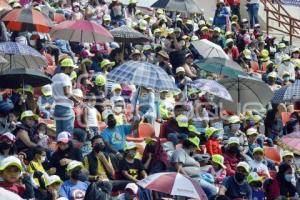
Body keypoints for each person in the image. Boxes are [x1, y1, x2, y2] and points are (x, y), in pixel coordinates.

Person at [52, 57, 78, 134]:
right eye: (72, 68)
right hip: (66, 108)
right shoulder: (65, 77)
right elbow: (67, 93)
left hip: (57, 107)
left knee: (60, 134)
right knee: (67, 134)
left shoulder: (54, 77)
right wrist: (77, 101)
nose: (72, 70)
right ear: (67, 68)